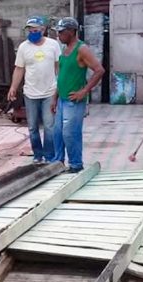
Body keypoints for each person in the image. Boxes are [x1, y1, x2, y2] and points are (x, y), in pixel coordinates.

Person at [51, 17, 105, 173]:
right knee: (58, 133)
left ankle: (75, 165)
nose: (59, 36)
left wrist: (84, 91)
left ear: (71, 32)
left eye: (61, 33)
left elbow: (99, 70)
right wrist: (55, 97)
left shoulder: (82, 49)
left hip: (74, 101)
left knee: (70, 133)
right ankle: (58, 163)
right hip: (62, 99)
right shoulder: (65, 49)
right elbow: (61, 76)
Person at [7, 16, 62, 164]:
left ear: (43, 30)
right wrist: (13, 87)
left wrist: (60, 86)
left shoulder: (53, 45)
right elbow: (19, 69)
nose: (32, 32)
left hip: (50, 92)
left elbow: (58, 66)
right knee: (32, 127)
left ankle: (49, 157)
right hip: (30, 92)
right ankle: (38, 155)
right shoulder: (24, 47)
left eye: (35, 30)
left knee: (49, 126)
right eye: (30, 30)